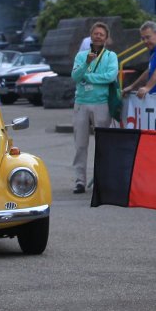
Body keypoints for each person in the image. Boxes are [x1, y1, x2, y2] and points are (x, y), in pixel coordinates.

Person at [69, 21, 118, 194]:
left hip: (101, 103)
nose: (98, 36)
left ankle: (101, 178)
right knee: (80, 144)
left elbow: (110, 76)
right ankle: (79, 180)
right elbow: (75, 76)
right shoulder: (81, 56)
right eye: (95, 33)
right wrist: (86, 64)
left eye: (101, 34)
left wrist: (89, 77)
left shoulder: (111, 56)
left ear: (106, 38)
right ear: (91, 36)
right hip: (81, 103)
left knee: (102, 143)